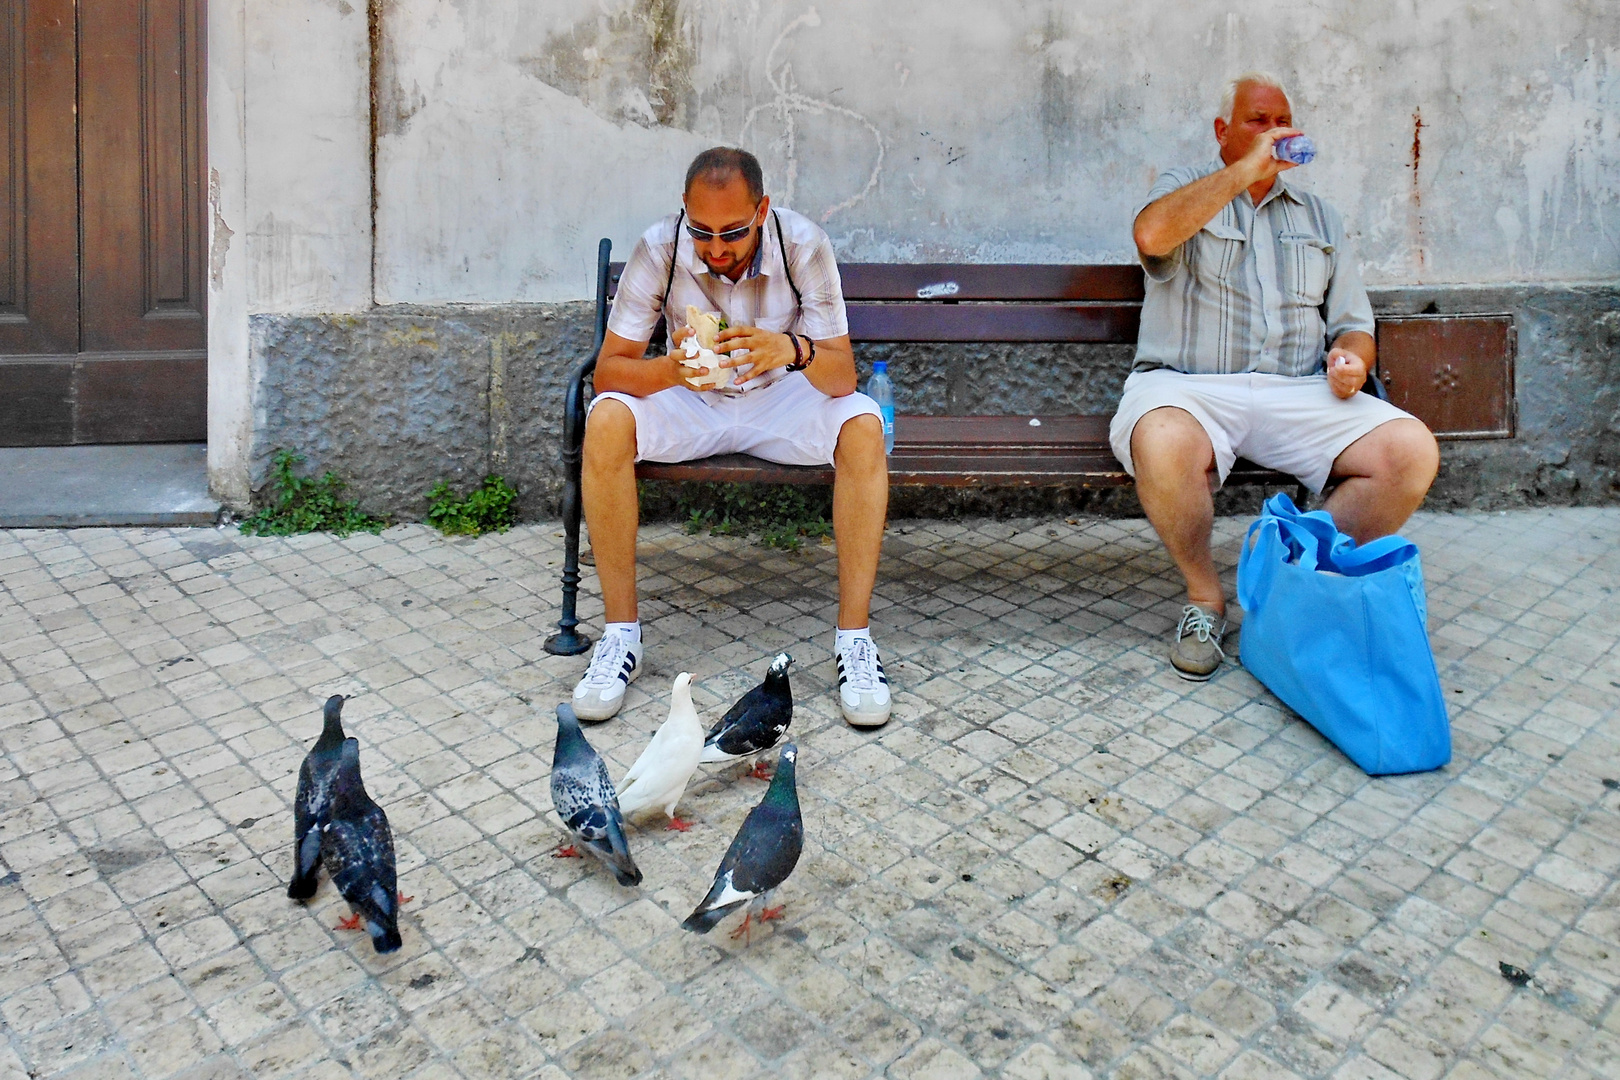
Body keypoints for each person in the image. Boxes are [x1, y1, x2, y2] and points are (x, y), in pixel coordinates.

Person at [1115, 72, 1439, 681]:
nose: (1273, 131)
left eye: (1280, 120)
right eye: (1256, 120)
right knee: (1161, 440)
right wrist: (1243, 173)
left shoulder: (1321, 217)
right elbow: (1151, 235)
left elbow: (1353, 323)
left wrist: (1351, 362)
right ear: (1222, 132)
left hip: (1298, 390)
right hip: (1188, 388)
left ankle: (1285, 571)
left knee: (1410, 450)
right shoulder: (1185, 188)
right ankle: (1206, 599)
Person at [573, 147, 893, 727]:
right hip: (691, 399)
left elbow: (842, 374)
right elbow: (610, 370)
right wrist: (673, 368)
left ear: (763, 210)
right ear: (684, 215)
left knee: (864, 427)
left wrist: (790, 349)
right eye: (702, 232)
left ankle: (854, 643)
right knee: (607, 417)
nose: (716, 249)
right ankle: (620, 636)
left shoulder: (802, 245)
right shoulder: (660, 248)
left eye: (733, 233)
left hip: (780, 398)